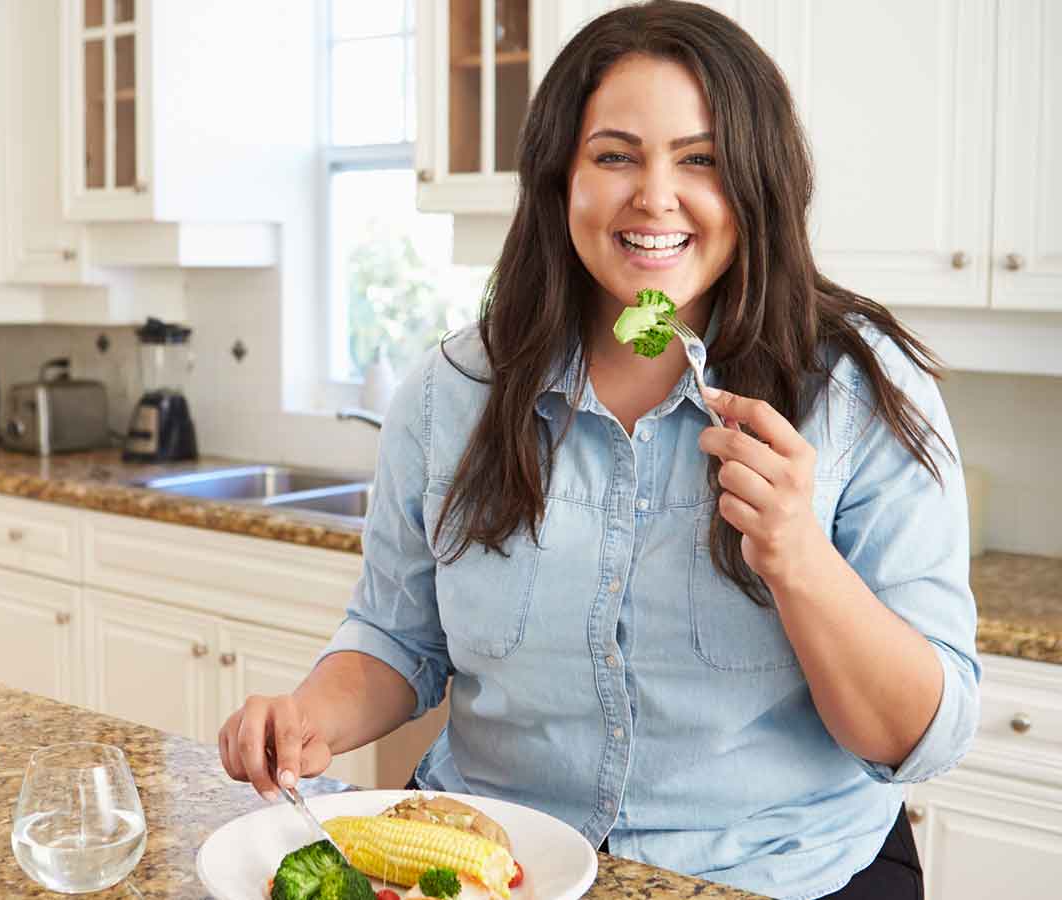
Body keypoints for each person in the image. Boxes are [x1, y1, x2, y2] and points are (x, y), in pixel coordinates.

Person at [217, 3, 979, 898]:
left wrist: (799, 558)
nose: (655, 196)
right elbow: (397, 637)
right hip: (502, 863)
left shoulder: (857, 393)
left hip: (777, 874)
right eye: (615, 155)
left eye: (701, 159)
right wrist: (309, 716)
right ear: (559, 180)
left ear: (758, 183)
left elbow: (916, 737)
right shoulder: (449, 393)